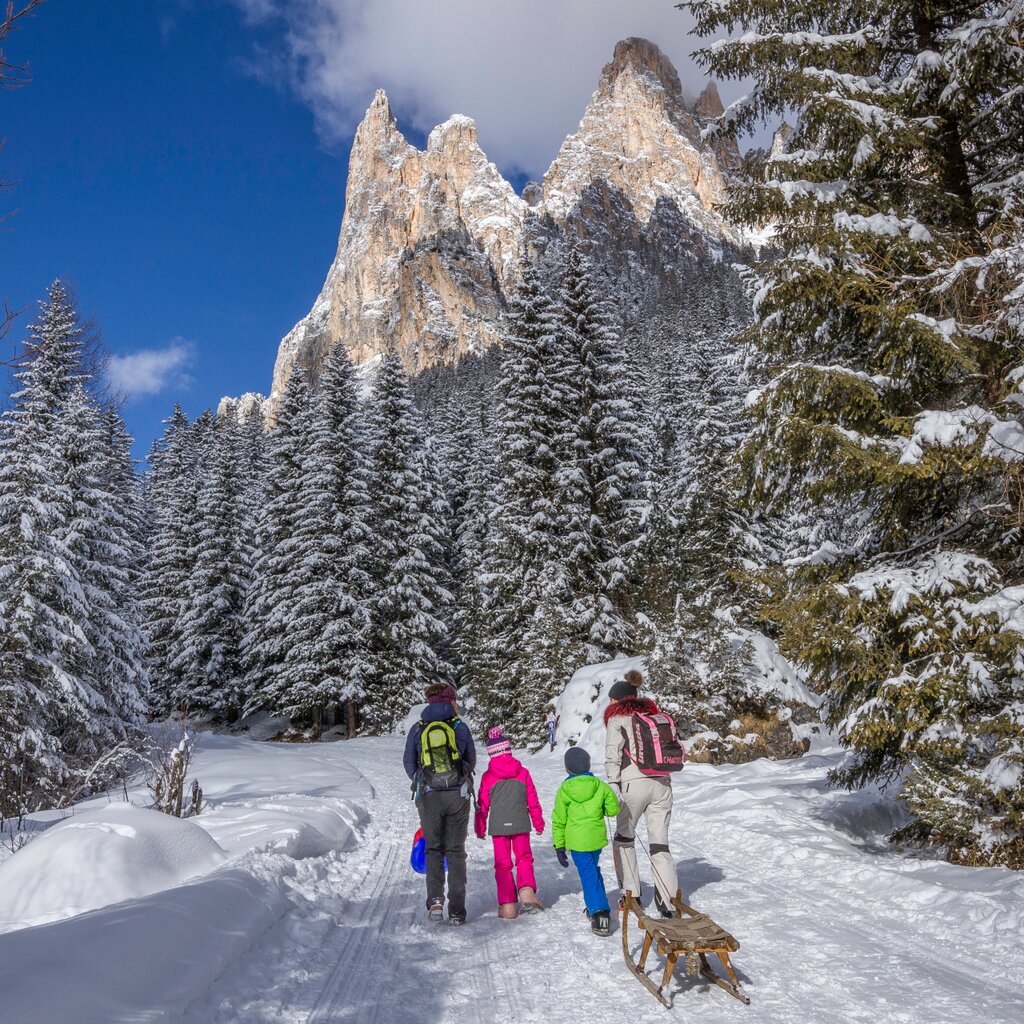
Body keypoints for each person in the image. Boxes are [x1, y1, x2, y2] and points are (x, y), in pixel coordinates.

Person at [604, 669, 679, 918]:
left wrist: (613, 783)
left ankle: (631, 894)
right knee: (660, 845)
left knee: (624, 839)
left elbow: (613, 754)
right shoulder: (655, 717)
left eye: (611, 700)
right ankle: (669, 901)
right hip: (662, 784)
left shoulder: (618, 720)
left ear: (618, 700)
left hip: (632, 784)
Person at [403, 682, 477, 925]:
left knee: (433, 848)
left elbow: (409, 763)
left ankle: (435, 901)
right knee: (456, 852)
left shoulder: (419, 727)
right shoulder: (460, 727)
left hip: (429, 795)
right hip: (457, 795)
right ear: (450, 700)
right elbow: (471, 760)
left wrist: (421, 781)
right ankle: (457, 911)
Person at [474, 727, 545, 919]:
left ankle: (507, 906)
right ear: (508, 750)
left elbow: (482, 806)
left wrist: (479, 828)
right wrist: (538, 823)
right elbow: (533, 801)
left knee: (503, 864)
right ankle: (527, 894)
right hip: (520, 824)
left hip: (498, 827)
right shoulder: (523, 773)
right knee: (524, 857)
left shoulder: (488, 777)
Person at [551, 746, 619, 936]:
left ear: (568, 769)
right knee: (593, 870)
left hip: (578, 843)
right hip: (595, 840)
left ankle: (600, 914)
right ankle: (597, 905)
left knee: (588, 875)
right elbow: (613, 809)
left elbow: (559, 820)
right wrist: (602, 808)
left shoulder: (564, 790)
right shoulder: (600, 786)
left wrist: (559, 845)